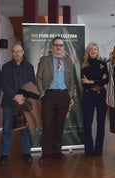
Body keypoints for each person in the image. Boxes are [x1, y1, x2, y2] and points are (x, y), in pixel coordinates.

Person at [36, 36, 74, 164]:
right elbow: (39, 78)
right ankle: (46, 153)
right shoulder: (44, 60)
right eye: (56, 45)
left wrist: (69, 94)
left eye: (61, 45)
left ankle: (56, 151)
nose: (58, 47)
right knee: (47, 125)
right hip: (49, 96)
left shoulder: (68, 62)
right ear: (52, 47)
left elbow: (72, 79)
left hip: (64, 96)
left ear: (63, 47)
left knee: (59, 125)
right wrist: (42, 94)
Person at [0, 44, 36, 165]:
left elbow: (32, 83)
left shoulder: (29, 67)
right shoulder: (6, 67)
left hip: (24, 103)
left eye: (19, 51)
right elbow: (3, 84)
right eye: (14, 51)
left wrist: (23, 96)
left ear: (23, 52)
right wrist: (15, 96)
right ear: (12, 53)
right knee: (6, 129)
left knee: (25, 129)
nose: (17, 53)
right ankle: (4, 154)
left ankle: (27, 152)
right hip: (9, 102)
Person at [81, 42, 108, 156]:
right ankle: (89, 149)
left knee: (101, 123)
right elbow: (84, 84)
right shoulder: (84, 66)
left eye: (95, 49)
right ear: (88, 51)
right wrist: (98, 81)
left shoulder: (103, 64)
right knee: (87, 123)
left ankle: (98, 150)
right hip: (88, 96)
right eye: (91, 49)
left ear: (98, 51)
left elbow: (106, 81)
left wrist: (91, 81)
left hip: (101, 95)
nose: (93, 51)